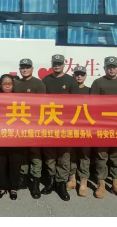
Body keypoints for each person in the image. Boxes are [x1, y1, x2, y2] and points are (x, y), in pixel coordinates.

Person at [90, 56, 117, 200]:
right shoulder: (98, 82)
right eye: (109, 67)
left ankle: (116, 185)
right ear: (104, 68)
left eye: (114, 66)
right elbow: (92, 105)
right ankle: (101, 184)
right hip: (103, 126)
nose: (111, 69)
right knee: (101, 156)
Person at [41, 54, 75, 201]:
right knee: (50, 154)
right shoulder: (46, 80)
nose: (57, 66)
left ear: (63, 65)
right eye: (55, 63)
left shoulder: (70, 80)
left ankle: (61, 183)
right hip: (49, 122)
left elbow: (77, 103)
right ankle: (51, 181)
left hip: (66, 124)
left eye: (59, 63)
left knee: (64, 154)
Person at [13, 58, 46, 199]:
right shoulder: (17, 84)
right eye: (22, 67)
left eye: (27, 67)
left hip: (34, 125)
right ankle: (23, 177)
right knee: (23, 153)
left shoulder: (39, 84)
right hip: (20, 124)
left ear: (32, 69)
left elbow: (43, 106)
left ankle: (35, 182)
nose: (25, 70)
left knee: (35, 154)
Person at [0, 74, 22, 201]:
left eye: (10, 83)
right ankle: (1, 188)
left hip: (15, 136)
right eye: (5, 83)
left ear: (13, 85)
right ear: (0, 85)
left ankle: (14, 188)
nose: (7, 86)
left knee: (15, 162)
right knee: (0, 163)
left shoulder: (19, 99)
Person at [69, 65, 90, 197]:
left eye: (82, 74)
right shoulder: (69, 90)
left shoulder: (90, 91)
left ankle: (83, 181)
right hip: (71, 126)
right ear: (73, 76)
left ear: (85, 76)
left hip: (85, 128)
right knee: (71, 154)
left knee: (84, 155)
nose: (79, 76)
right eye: (77, 74)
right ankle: (72, 179)